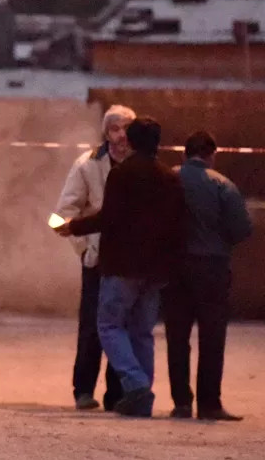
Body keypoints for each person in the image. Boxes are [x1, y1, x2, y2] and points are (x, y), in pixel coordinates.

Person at [61, 118, 187, 418]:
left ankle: (137, 384)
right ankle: (142, 395)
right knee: (142, 332)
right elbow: (176, 225)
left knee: (108, 325)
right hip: (155, 269)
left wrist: (73, 227)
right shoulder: (169, 177)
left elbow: (109, 218)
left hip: (122, 264)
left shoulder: (122, 174)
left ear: (130, 142)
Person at [165, 131, 252, 421]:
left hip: (175, 267)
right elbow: (241, 229)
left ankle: (181, 402)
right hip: (212, 268)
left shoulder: (169, 180)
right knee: (212, 336)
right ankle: (209, 403)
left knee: (177, 336)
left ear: (183, 153)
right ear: (212, 155)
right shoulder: (223, 185)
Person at [53, 104, 134, 412]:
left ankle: (117, 393)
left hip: (130, 261)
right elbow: (64, 214)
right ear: (105, 132)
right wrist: (85, 250)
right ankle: (84, 390)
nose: (121, 135)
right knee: (91, 326)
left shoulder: (139, 166)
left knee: (123, 326)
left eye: (126, 127)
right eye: (115, 128)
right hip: (97, 261)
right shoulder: (87, 166)